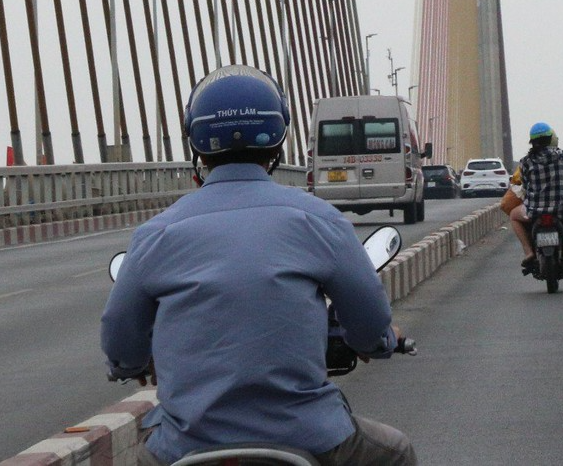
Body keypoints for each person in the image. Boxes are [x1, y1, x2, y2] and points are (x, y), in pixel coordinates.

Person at [102, 66, 415, 466]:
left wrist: (131, 364)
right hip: (309, 436)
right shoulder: (319, 220)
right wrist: (380, 342)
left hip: (185, 446)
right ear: (278, 138)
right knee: (396, 452)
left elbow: (119, 337)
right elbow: (370, 321)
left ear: (196, 142)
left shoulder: (157, 233)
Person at [507, 121, 563, 276]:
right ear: (551, 138)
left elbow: (526, 186)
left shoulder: (525, 162)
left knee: (513, 216)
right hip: (562, 209)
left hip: (534, 211)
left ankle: (529, 252)